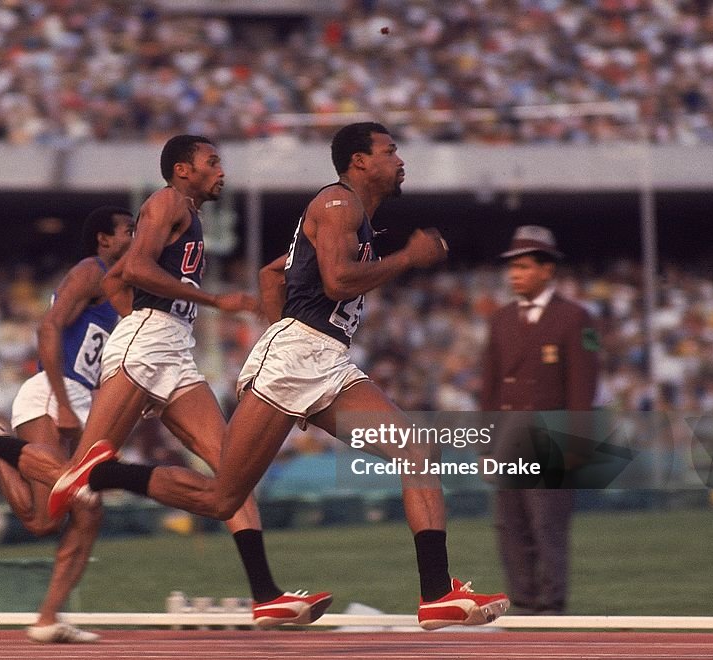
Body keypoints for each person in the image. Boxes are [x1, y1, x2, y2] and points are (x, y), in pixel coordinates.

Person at [49, 122, 510, 630]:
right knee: (222, 497)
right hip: (295, 358)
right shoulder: (339, 205)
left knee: (415, 450)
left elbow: (274, 273)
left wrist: (285, 338)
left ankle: (437, 593)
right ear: (360, 162)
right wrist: (405, 260)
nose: (401, 160)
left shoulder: (356, 220)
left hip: (322, 361)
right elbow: (335, 282)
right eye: (390, 150)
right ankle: (101, 473)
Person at [0, 136, 329, 629]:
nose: (223, 170)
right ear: (183, 170)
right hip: (149, 340)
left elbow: (118, 279)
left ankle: (266, 593)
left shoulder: (190, 214)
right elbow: (133, 268)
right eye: (212, 162)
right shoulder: (167, 201)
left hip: (174, 348)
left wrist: (134, 309)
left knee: (233, 474)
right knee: (76, 481)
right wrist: (212, 301)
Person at [0, 206, 133, 643]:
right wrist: (64, 399)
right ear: (103, 240)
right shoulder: (90, 271)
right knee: (86, 502)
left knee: (48, 522)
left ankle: (47, 618)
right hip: (50, 394)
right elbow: (48, 330)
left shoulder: (120, 288)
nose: (137, 235)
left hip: (80, 398)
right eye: (129, 229)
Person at [480, 225, 599, 615]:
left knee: (547, 525)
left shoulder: (576, 318)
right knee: (510, 527)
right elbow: (491, 387)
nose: (515, 274)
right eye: (512, 267)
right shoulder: (499, 320)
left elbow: (584, 386)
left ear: (547, 270)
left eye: (525, 266)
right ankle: (524, 602)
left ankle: (551, 604)